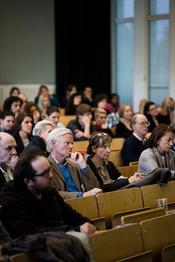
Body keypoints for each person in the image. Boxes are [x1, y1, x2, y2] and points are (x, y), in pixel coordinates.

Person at [0, 151, 96, 239]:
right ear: (28, 180)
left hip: (59, 240)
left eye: (49, 170)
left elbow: (71, 215)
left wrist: (86, 223)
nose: (51, 176)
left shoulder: (49, 190)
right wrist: (77, 229)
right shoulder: (11, 199)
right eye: (45, 173)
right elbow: (30, 232)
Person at [47, 128, 102, 199]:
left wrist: (83, 165)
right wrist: (81, 195)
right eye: (67, 143)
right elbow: (52, 194)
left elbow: (95, 188)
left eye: (72, 143)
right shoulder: (45, 166)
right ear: (53, 143)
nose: (71, 146)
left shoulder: (74, 164)